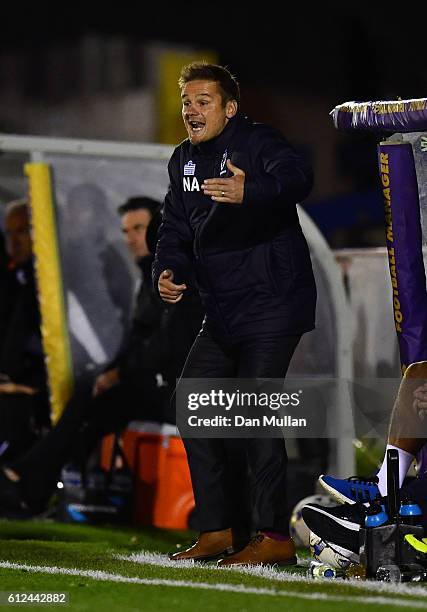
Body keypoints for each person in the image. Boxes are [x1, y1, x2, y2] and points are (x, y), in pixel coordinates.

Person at [153, 62, 316, 566]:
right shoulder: (182, 158)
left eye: (204, 101)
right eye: (187, 102)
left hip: (272, 302)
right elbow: (174, 227)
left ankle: (273, 535)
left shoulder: (259, 142)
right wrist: (168, 268)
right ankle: (219, 529)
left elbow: (298, 178)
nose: (191, 110)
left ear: (230, 108)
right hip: (222, 311)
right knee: (194, 408)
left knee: (254, 412)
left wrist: (253, 192)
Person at [0, 197, 204, 517]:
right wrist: (112, 371)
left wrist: (119, 374)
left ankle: (28, 481)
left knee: (90, 399)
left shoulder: (173, 273)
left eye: (140, 228)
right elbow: (139, 340)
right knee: (88, 406)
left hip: (178, 388)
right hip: (153, 382)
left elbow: (168, 343)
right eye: (127, 231)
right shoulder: (147, 275)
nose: (133, 238)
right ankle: (35, 490)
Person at [0, 200, 50, 462]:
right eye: (9, 233)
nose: (15, 241)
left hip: (33, 380)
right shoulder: (11, 279)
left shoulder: (47, 282)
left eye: (22, 231)